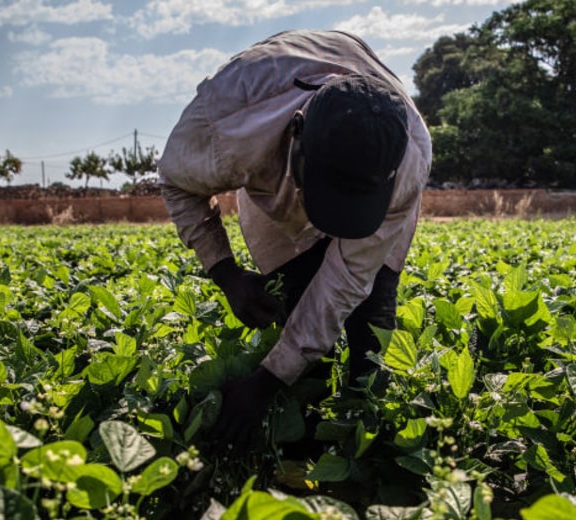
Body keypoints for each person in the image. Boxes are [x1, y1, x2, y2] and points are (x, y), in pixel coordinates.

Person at [157, 30, 432, 454]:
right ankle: (300, 437)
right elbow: (177, 184)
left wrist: (264, 384)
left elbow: (347, 280)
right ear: (297, 135)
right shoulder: (227, 128)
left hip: (354, 153)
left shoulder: (406, 159)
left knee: (371, 324)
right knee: (297, 298)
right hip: (268, 151)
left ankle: (362, 436)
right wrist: (226, 274)